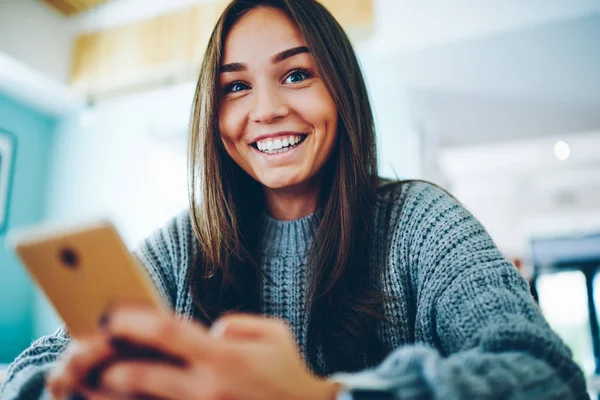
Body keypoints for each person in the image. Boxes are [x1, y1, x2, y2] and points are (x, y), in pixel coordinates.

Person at [0, 0, 588, 399]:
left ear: (341, 87)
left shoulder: (420, 223)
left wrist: (324, 396)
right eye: (235, 86)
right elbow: (22, 373)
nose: (265, 110)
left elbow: (548, 375)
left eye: (297, 75)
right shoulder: (186, 245)